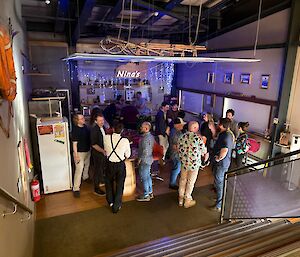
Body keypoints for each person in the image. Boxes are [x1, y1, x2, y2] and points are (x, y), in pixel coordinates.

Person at [178, 121, 208, 208]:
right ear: (194, 128)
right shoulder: (197, 138)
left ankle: (180, 199)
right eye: (197, 127)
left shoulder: (181, 137)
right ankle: (187, 200)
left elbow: (179, 149)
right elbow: (204, 151)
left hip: (184, 163)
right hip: (194, 165)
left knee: (182, 180)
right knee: (190, 182)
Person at [104, 121, 131, 213]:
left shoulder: (106, 138)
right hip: (120, 164)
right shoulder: (125, 141)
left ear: (113, 129)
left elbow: (105, 149)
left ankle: (110, 201)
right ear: (122, 130)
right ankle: (116, 205)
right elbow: (128, 155)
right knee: (120, 185)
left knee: (108, 182)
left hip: (109, 163)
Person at [210, 118, 234, 212]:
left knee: (220, 182)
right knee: (218, 180)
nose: (217, 125)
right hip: (222, 162)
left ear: (222, 125)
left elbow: (225, 150)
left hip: (222, 163)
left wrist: (218, 158)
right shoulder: (226, 134)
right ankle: (219, 199)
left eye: (218, 124)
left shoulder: (226, 136)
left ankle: (219, 204)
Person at [72, 114, 90, 198]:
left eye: (83, 117)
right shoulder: (75, 130)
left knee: (86, 166)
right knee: (79, 170)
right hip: (79, 153)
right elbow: (74, 144)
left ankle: (85, 177)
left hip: (87, 151)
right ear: (77, 121)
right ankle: (76, 188)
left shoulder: (85, 127)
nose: (84, 119)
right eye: (81, 118)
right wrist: (76, 155)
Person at [136, 122, 155, 202]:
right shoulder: (151, 136)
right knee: (148, 176)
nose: (141, 128)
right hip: (149, 159)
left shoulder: (145, 139)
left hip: (144, 160)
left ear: (146, 128)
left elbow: (145, 151)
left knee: (144, 177)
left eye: (142, 127)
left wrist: (139, 160)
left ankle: (146, 195)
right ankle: (150, 192)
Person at [90, 113, 106, 196]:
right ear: (96, 121)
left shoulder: (103, 127)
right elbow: (94, 144)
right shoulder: (94, 130)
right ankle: (96, 188)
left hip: (103, 152)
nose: (102, 122)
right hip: (97, 153)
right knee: (97, 170)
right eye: (100, 120)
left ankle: (101, 181)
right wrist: (103, 151)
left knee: (101, 169)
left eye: (102, 120)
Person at [169, 118, 185, 190]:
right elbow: (175, 146)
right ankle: (172, 183)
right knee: (177, 168)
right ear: (177, 125)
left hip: (176, 153)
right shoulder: (175, 133)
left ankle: (173, 182)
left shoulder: (175, 131)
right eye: (181, 125)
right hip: (176, 154)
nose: (182, 126)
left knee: (177, 167)